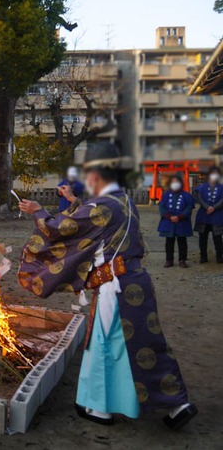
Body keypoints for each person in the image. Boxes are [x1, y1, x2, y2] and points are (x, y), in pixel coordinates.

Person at [17, 142, 196, 430]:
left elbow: (61, 229)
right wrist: (73, 198)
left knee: (105, 343)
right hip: (137, 282)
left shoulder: (102, 207)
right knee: (148, 343)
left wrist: (38, 212)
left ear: (96, 174)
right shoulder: (123, 200)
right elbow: (92, 217)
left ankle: (99, 408)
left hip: (117, 287)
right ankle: (178, 404)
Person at [158, 175, 194, 268]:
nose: (175, 184)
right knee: (169, 241)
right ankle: (169, 260)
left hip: (182, 221)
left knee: (182, 241)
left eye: (177, 182)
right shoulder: (166, 194)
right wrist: (169, 216)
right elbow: (161, 206)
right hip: (168, 222)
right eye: (173, 182)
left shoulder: (186, 195)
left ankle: (182, 260)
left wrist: (180, 216)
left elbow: (189, 207)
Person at [193, 167, 223, 264]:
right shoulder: (202, 187)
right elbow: (199, 198)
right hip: (204, 215)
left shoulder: (221, 187)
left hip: (217, 215)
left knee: (218, 237)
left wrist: (214, 207)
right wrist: (207, 207)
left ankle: (219, 256)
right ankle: (203, 256)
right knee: (203, 237)